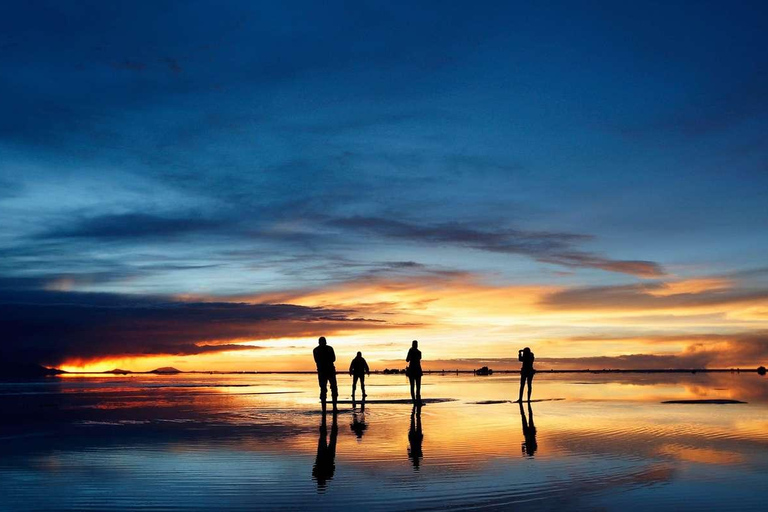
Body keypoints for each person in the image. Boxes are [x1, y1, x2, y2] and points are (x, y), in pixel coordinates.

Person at [313, 336, 338, 411]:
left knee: (333, 388)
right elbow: (317, 360)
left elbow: (333, 359)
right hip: (323, 372)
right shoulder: (316, 350)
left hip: (329, 371)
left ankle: (334, 407)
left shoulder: (329, 348)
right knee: (324, 389)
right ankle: (324, 408)